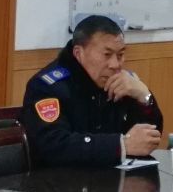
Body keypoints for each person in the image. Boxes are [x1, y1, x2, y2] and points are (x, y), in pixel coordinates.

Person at [21, 15, 164, 167]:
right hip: (59, 178)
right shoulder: (47, 87)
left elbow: (146, 139)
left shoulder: (122, 82)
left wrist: (144, 96)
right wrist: (121, 145)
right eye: (107, 55)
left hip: (111, 176)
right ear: (78, 53)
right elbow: (54, 145)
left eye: (120, 55)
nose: (115, 65)